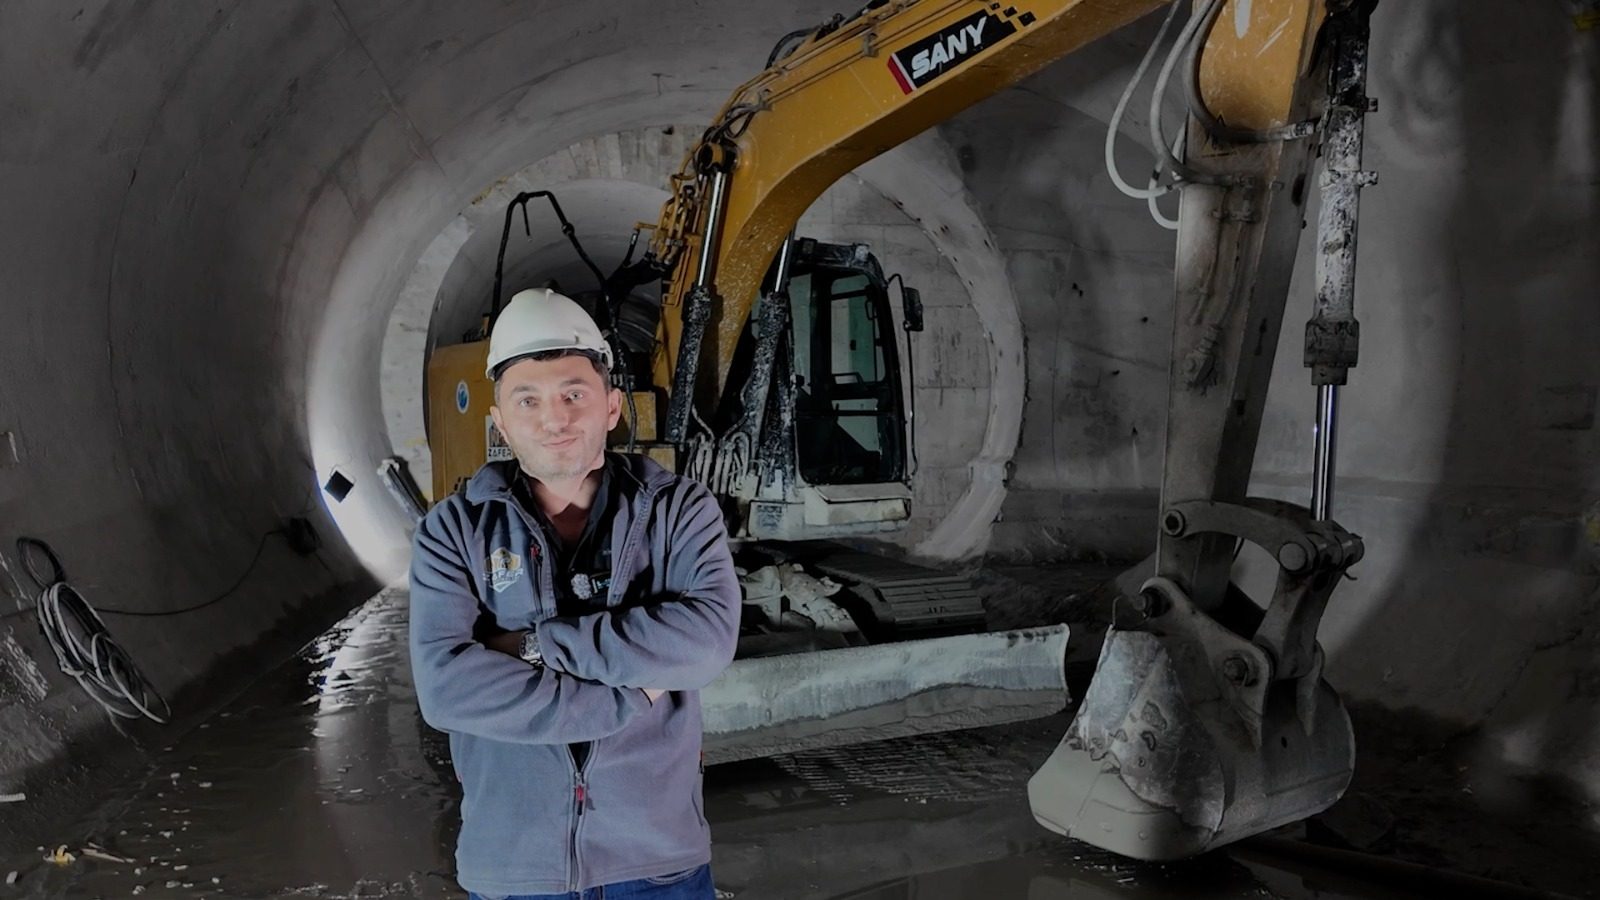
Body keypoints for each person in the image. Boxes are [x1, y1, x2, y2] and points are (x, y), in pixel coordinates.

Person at [409, 287, 741, 899]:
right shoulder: (453, 530)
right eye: (527, 400)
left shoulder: (677, 510)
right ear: (500, 421)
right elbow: (445, 689)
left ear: (612, 407)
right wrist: (624, 698)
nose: (554, 418)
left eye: (573, 394)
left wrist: (532, 646)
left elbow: (706, 644)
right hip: (515, 870)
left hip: (659, 864)